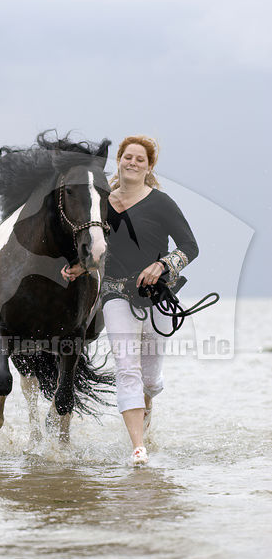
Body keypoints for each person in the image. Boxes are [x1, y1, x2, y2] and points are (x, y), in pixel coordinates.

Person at [61, 135, 199, 465]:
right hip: (115, 293)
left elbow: (189, 247)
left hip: (156, 297)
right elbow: (97, 247)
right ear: (119, 161)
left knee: (149, 379)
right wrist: (83, 267)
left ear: (149, 167)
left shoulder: (161, 203)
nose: (133, 163)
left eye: (140, 159)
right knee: (127, 370)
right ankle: (138, 448)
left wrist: (163, 264)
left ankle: (146, 408)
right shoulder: (103, 203)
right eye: (128, 157)